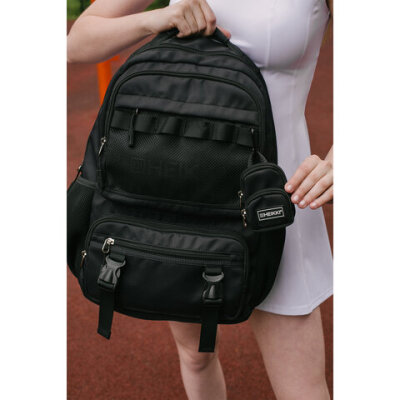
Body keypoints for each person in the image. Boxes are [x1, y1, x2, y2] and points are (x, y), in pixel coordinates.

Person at [68, 1, 333, 399]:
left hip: (275, 198)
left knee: (301, 389)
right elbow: (76, 43)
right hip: (183, 186)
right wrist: (154, 19)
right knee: (195, 356)